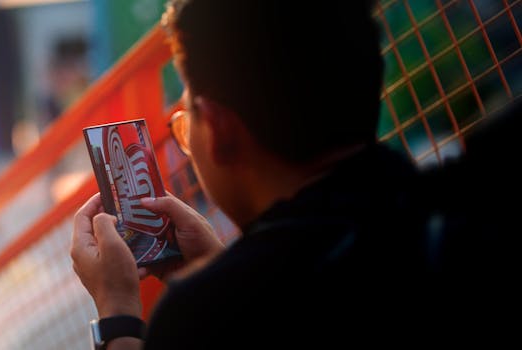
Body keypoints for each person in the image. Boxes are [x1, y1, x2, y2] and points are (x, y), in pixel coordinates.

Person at [71, 0, 517, 348]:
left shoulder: (201, 319)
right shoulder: (469, 209)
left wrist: (118, 316)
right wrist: (220, 264)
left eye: (187, 125)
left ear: (221, 131)